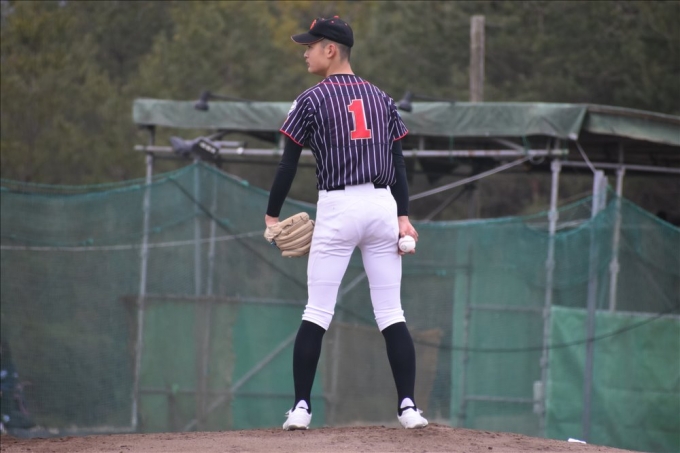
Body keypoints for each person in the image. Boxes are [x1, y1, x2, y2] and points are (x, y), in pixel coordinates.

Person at [264, 16, 428, 431]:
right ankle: (408, 407)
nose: (305, 52)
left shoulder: (311, 99)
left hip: (338, 207)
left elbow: (287, 164)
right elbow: (398, 162)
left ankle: (301, 408)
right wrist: (403, 216)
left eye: (311, 45)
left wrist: (271, 214)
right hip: (382, 206)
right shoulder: (382, 97)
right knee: (391, 313)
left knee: (317, 311)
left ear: (330, 49)